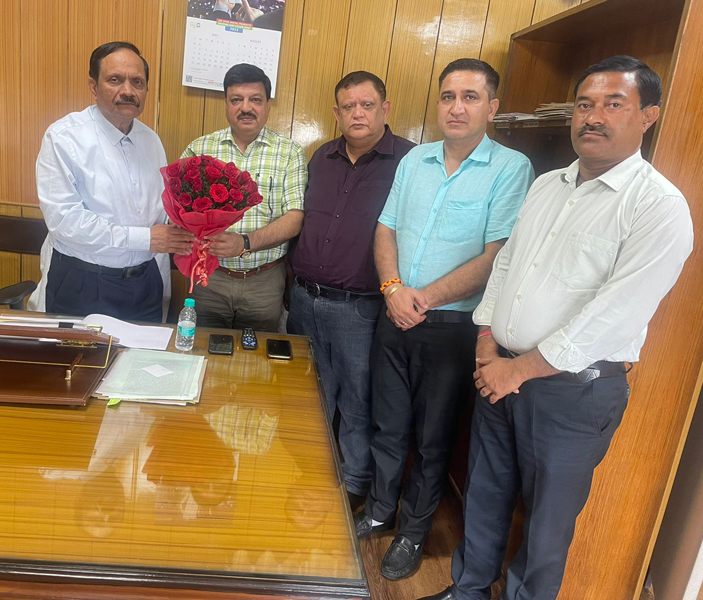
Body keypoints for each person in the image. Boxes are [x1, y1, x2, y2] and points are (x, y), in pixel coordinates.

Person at [421, 56, 694, 600]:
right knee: (486, 494)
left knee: (546, 529)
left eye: (614, 104)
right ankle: (467, 590)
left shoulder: (659, 208)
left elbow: (616, 311)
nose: (593, 117)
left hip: (574, 393)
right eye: (585, 104)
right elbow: (505, 266)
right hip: (499, 369)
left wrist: (516, 371)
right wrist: (486, 345)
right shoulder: (547, 185)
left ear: (649, 116)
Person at [354, 58, 534, 581]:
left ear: (492, 107)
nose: (457, 107)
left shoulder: (510, 168)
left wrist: (422, 298)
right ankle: (381, 509)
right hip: (394, 313)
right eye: (448, 96)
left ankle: (413, 531)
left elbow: (496, 255)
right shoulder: (416, 160)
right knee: (388, 425)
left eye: (470, 97)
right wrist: (392, 290)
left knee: (432, 439)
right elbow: (385, 227)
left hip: (451, 328)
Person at [287, 71, 415, 512]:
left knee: (358, 401)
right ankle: (311, 468)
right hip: (303, 298)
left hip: (358, 309)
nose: (357, 113)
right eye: (347, 106)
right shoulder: (321, 156)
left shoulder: (410, 162)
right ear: (337, 113)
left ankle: (355, 484)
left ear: (385, 109)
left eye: (366, 104)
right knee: (308, 393)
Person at [29, 41, 194, 322]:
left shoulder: (151, 141)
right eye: (115, 80)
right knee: (80, 363)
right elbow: (66, 222)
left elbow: (158, 210)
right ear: (93, 87)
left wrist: (190, 226)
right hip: (83, 282)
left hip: (145, 283)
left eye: (137, 82)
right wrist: (147, 238)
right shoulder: (64, 138)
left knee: (142, 362)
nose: (128, 91)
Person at [181, 63, 307, 332]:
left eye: (255, 100)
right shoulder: (199, 149)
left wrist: (244, 243)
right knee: (203, 352)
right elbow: (178, 210)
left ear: (268, 105)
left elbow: (295, 218)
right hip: (209, 278)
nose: (246, 108)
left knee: (256, 362)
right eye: (236, 99)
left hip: (264, 281)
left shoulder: (290, 152)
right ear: (226, 103)